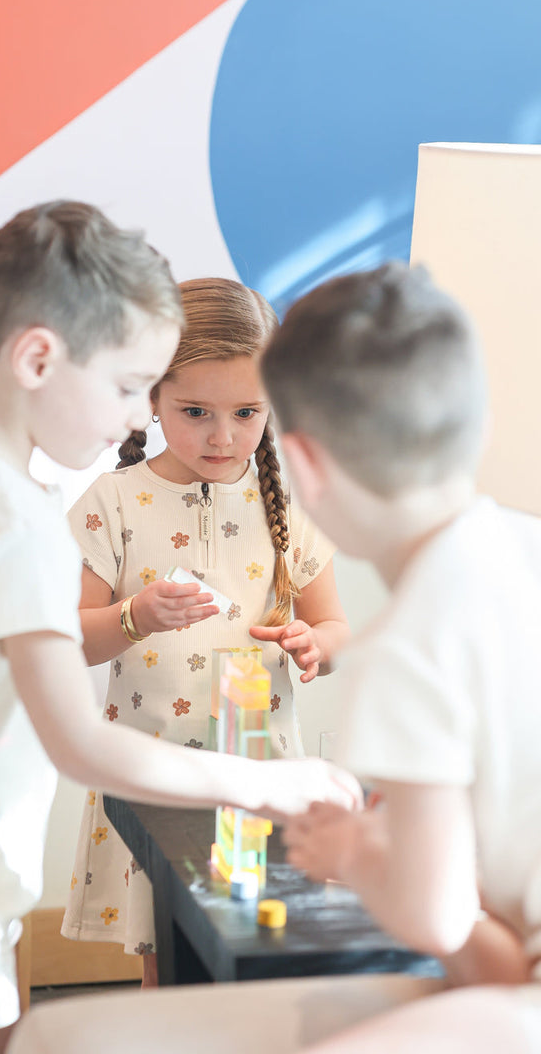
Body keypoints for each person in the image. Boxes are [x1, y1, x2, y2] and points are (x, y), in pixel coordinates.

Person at [10, 261, 541, 1054]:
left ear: (298, 460)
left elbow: (435, 917)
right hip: (528, 969)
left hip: (538, 993)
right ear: (475, 429)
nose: (224, 435)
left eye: (248, 415)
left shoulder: (405, 644)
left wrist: (354, 855)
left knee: (55, 1039)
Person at [0, 203, 360, 1054]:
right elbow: (81, 745)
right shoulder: (9, 518)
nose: (134, 419)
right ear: (41, 358)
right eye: (131, 388)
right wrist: (266, 785)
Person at [62, 276, 351, 985]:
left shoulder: (291, 505)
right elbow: (71, 640)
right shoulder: (114, 503)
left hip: (260, 777)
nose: (223, 437)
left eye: (247, 412)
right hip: (152, 781)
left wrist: (317, 647)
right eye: (195, 411)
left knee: (259, 951)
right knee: (168, 959)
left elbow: (335, 627)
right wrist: (136, 616)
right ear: (152, 398)